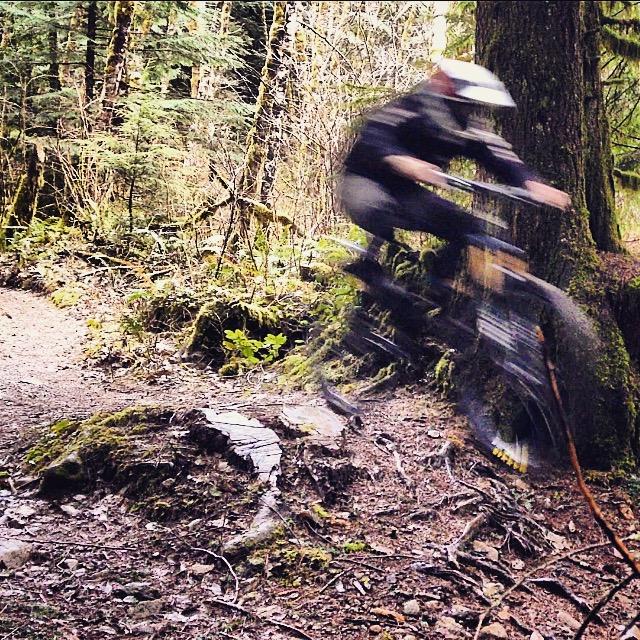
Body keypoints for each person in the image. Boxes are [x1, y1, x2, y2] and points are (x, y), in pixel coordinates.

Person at [338, 59, 570, 301]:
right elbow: (375, 135)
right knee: (380, 210)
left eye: (475, 106)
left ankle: (438, 285)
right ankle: (374, 281)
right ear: (451, 98)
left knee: (468, 227)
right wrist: (400, 159)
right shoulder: (411, 108)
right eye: (467, 105)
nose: (471, 111)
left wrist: (530, 182)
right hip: (362, 180)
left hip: (404, 190)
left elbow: (497, 157)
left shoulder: (466, 128)